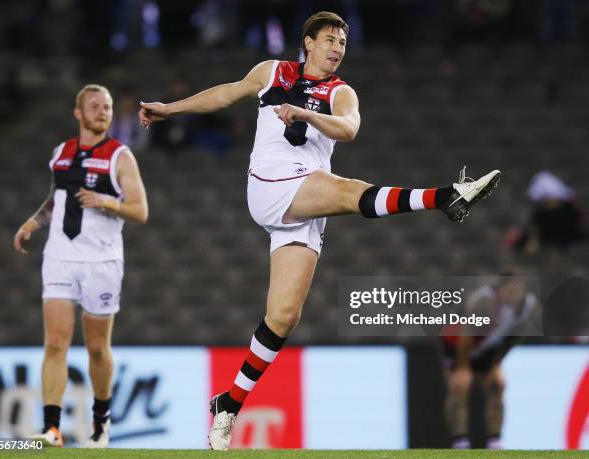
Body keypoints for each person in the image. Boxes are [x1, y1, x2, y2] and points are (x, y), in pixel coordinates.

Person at [139, 11, 501, 450]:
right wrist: (170, 109)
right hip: (272, 185)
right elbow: (226, 94)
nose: (336, 49)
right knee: (351, 192)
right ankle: (445, 196)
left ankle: (228, 404)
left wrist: (310, 117)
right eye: (329, 39)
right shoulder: (273, 72)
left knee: (283, 318)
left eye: (343, 43)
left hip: (308, 202)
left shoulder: (341, 92)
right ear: (307, 42)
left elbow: (349, 129)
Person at [13, 84, 149, 447]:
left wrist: (108, 201)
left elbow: (140, 210)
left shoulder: (120, 156)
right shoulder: (61, 153)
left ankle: (101, 419)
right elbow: (55, 200)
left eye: (106, 106)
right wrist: (32, 223)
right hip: (59, 257)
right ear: (78, 112)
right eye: (94, 106)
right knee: (55, 343)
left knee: (97, 349)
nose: (102, 111)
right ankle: (52, 429)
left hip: (101, 261)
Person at [440, 274, 538, 449]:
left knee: (497, 385)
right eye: (511, 290)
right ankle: (460, 442)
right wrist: (463, 367)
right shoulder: (485, 302)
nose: (515, 295)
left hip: (488, 350)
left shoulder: (526, 305)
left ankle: (495, 441)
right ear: (501, 290)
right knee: (460, 387)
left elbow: (513, 338)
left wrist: (496, 363)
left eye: (519, 290)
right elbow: (466, 336)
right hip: (458, 346)